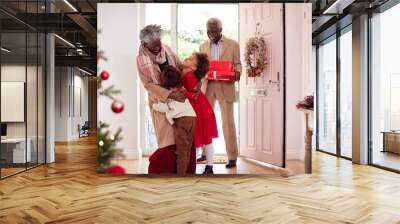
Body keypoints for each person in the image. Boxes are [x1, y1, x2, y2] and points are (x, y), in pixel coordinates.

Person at [136, 24, 196, 174]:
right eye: (154, 47)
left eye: (159, 44)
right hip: (161, 102)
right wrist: (168, 94)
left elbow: (180, 66)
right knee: (168, 141)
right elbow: (148, 84)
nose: (158, 49)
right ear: (144, 43)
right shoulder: (140, 59)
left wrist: (194, 77)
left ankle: (185, 172)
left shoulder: (167, 49)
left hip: (179, 99)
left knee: (183, 140)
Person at [199, 18, 241, 168]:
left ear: (221, 30)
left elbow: (238, 65)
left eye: (214, 30)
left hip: (226, 86)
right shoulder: (202, 46)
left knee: (228, 123)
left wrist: (238, 73)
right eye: (208, 30)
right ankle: (204, 153)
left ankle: (232, 156)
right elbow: (200, 66)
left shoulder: (233, 45)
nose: (211, 33)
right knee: (205, 120)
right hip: (208, 86)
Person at [152, 66, 196, 175]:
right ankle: (187, 171)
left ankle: (181, 176)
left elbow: (163, 108)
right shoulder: (182, 92)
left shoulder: (171, 96)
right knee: (187, 148)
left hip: (182, 121)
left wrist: (153, 105)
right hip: (192, 118)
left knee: (181, 152)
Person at [181, 52, 218, 174]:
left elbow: (192, 95)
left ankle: (198, 167)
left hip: (199, 111)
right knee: (204, 139)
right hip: (202, 109)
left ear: (194, 67)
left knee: (197, 139)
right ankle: (209, 167)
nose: (187, 57)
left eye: (191, 58)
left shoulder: (189, 75)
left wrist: (181, 91)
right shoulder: (191, 74)